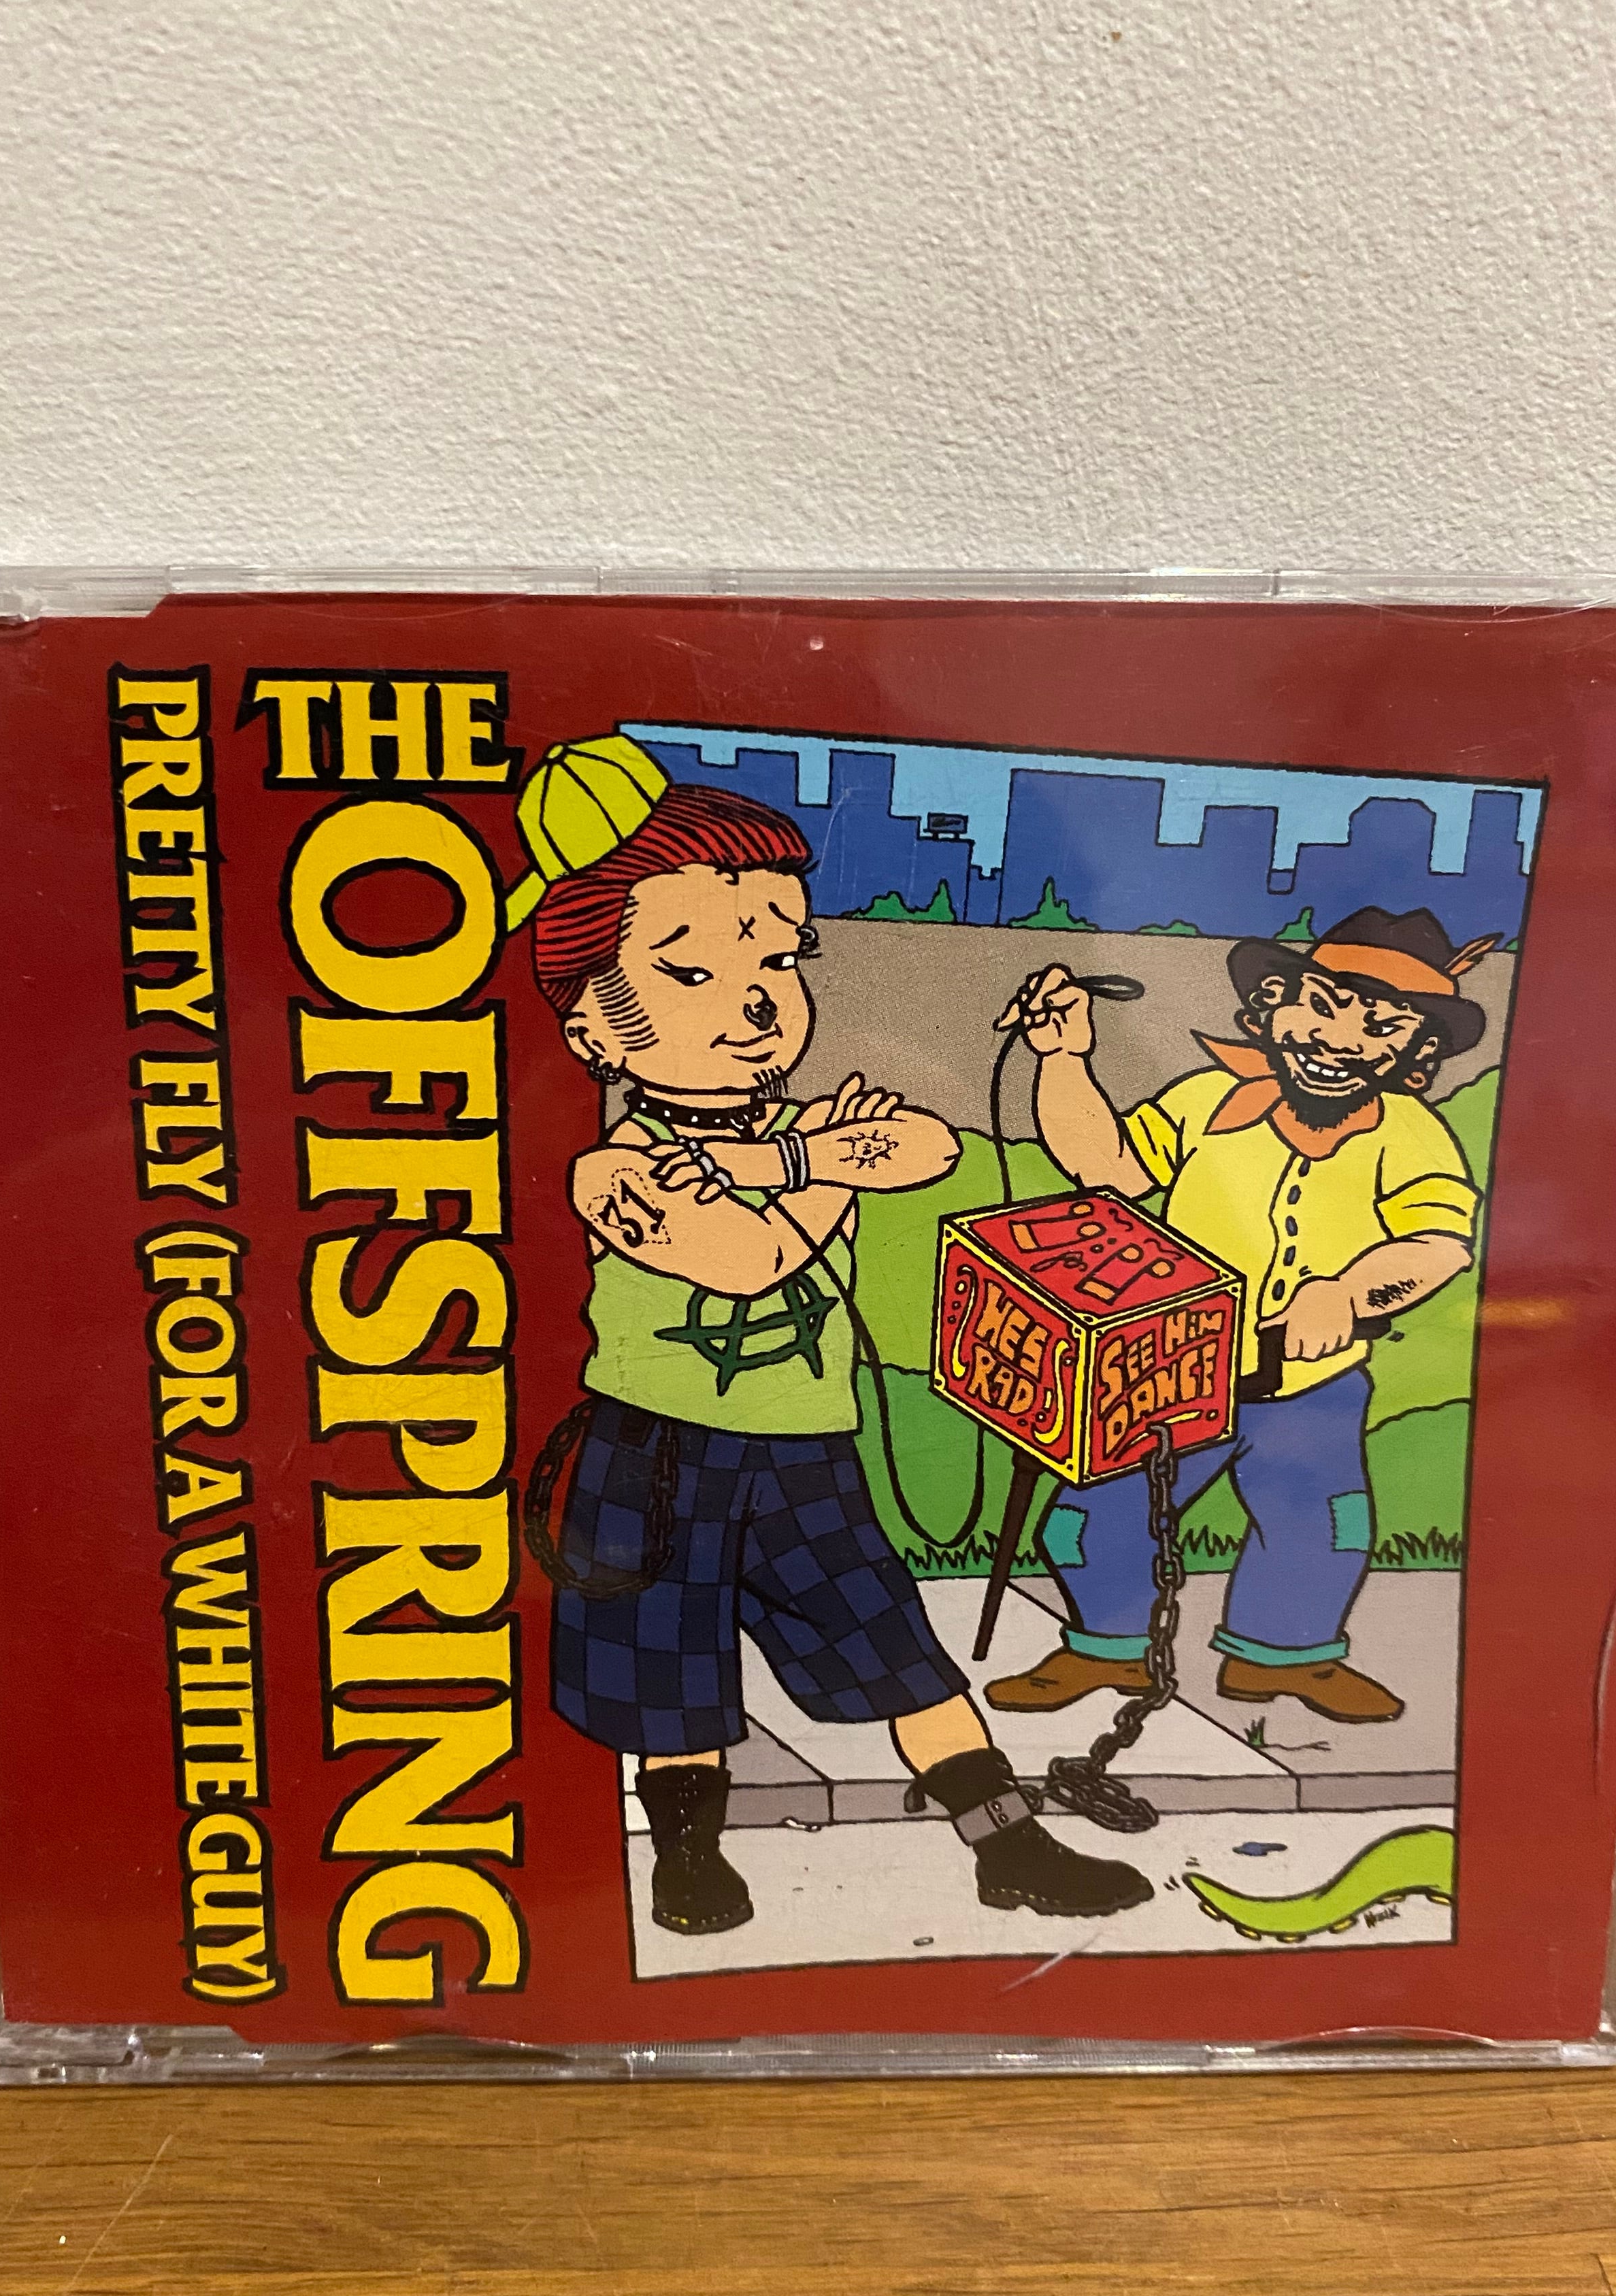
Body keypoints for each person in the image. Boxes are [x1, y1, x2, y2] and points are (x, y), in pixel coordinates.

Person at [518, 735, 1154, 1936]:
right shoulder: (615, 1168)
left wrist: (788, 1158)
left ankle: (1007, 1845)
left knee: (897, 1652)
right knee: (669, 1675)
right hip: (655, 1453)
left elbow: (925, 1144)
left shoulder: (796, 1129)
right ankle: (688, 1860)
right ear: (596, 1029)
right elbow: (745, 1256)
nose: (756, 999)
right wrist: (823, 1164)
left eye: (776, 956)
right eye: (691, 973)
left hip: (806, 1450)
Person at [985, 908, 1491, 1727]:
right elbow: (1107, 1167)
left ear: (1415, 1051)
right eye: (1322, 1006)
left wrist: (1348, 1293)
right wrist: (1064, 1057)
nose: (1338, 1041)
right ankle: (1106, 1648)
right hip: (1175, 1369)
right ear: (1276, 1004)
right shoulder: (1207, 1100)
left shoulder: (1410, 1136)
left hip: (1313, 1386)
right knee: (1093, 1516)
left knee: (1322, 1524)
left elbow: (1438, 1246)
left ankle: (1282, 1657)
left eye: (1381, 1026)